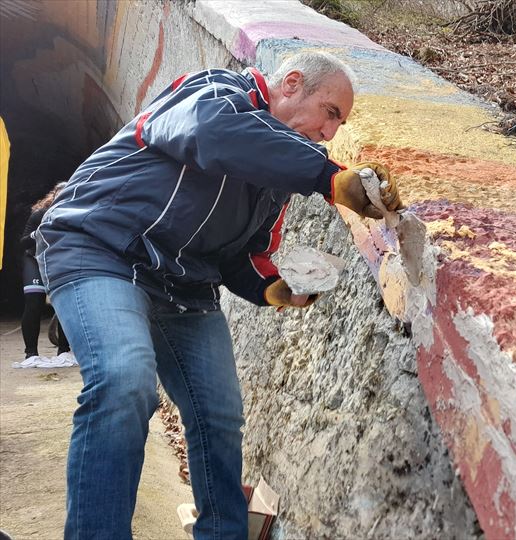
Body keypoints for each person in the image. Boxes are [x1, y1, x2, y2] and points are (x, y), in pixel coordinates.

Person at [36, 50, 402, 539]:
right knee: (124, 380)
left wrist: (275, 289)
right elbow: (211, 134)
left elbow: (245, 256)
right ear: (292, 83)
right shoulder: (214, 91)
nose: (330, 132)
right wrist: (329, 177)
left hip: (183, 284)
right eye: (330, 112)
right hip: (102, 249)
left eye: (339, 123)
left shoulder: (278, 178)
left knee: (219, 413)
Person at [17, 182, 72, 368]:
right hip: (34, 259)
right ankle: (31, 354)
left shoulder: (75, 215)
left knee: (64, 304)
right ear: (53, 197)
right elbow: (23, 242)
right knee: (34, 302)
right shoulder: (39, 214)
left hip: (58, 262)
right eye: (60, 196)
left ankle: (64, 351)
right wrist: (37, 234)